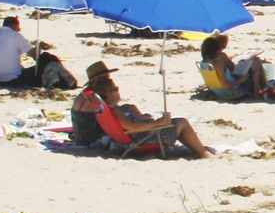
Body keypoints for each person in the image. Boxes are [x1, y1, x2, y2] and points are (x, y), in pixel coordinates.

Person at [75, 61, 212, 157]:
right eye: (114, 88)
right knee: (182, 122)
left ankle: (196, 147)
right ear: (106, 89)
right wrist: (158, 123)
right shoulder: (111, 108)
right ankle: (202, 153)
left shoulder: (89, 97)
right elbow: (132, 127)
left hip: (99, 137)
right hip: (126, 141)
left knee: (130, 107)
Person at [200, 33, 275, 100]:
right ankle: (259, 91)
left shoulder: (203, 63)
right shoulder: (218, 63)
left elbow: (232, 68)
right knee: (256, 61)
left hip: (216, 91)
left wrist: (229, 59)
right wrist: (241, 80)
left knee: (253, 61)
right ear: (217, 49)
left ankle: (263, 88)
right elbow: (225, 85)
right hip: (232, 92)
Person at [0, 15, 41, 89]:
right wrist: (38, 48)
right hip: (12, 79)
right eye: (18, 27)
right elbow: (33, 54)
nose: (19, 30)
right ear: (14, 25)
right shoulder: (16, 36)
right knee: (39, 66)